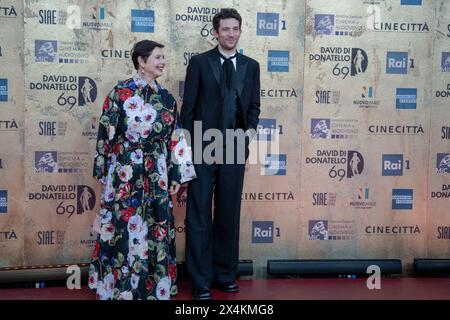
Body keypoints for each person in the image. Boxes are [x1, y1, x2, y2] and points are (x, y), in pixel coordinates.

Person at [88, 40, 196, 300]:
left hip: (157, 171)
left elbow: (176, 137)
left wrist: (177, 173)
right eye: (157, 57)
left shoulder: (167, 98)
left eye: (163, 57)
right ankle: (120, 287)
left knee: (156, 225)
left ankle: (153, 288)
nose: (162, 62)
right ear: (141, 61)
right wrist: (105, 172)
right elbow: (106, 133)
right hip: (125, 170)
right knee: (124, 225)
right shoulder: (120, 93)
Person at [180, 8, 261, 300]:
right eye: (225, 29)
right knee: (199, 214)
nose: (230, 34)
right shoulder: (200, 63)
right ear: (215, 32)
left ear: (240, 31)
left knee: (229, 212)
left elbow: (254, 106)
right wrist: (186, 151)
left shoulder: (252, 66)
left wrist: (250, 131)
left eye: (235, 29)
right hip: (202, 146)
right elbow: (187, 110)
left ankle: (225, 274)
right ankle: (200, 280)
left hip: (235, 147)